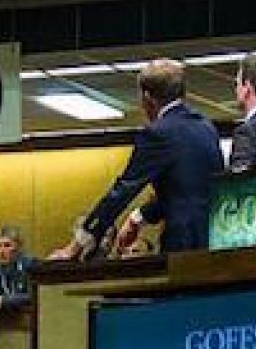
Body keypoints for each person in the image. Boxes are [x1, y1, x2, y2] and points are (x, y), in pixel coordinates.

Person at [59, 60, 225, 259]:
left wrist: (78, 243)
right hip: (217, 237)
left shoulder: (158, 134)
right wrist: (138, 217)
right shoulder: (206, 127)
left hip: (184, 244)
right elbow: (187, 191)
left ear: (147, 97)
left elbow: (123, 190)